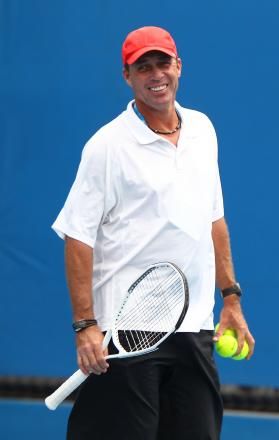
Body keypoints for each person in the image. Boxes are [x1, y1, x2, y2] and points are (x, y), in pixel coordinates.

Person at [52, 26, 253, 440]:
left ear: (179, 67)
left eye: (163, 63)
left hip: (194, 328)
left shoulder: (202, 130)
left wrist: (230, 298)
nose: (155, 74)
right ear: (127, 76)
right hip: (127, 334)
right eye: (143, 67)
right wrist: (84, 324)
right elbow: (77, 237)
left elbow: (213, 219)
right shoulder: (106, 146)